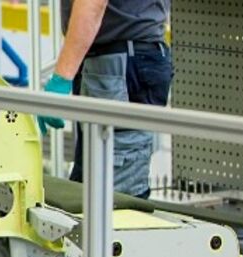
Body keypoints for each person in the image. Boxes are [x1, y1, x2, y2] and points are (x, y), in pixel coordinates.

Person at [40, 0, 171, 198]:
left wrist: (61, 78)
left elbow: (93, 3)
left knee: (113, 199)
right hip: (111, 60)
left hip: (120, 63)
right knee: (89, 193)